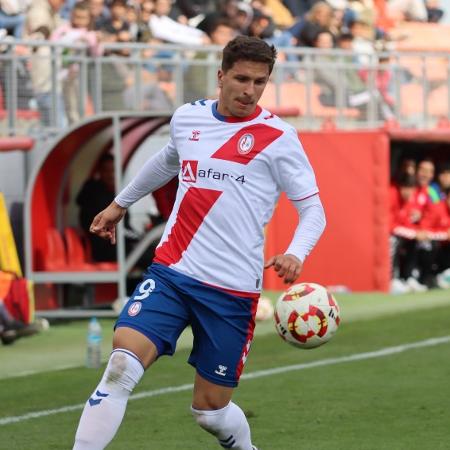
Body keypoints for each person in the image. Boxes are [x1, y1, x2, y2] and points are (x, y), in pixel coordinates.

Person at [72, 36, 326, 450]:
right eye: (241, 79)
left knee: (209, 411)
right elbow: (168, 160)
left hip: (232, 291)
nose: (249, 90)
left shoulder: (279, 137)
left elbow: (313, 210)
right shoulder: (188, 119)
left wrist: (297, 252)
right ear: (221, 75)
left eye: (260, 82)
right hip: (173, 272)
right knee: (120, 365)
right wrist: (121, 203)